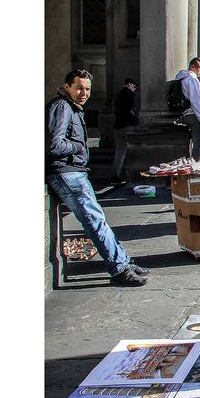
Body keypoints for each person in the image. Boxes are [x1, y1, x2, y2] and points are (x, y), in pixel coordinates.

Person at [46, 70, 150, 286]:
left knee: (98, 219)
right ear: (67, 87)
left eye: (87, 89)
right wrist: (79, 146)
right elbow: (53, 144)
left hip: (74, 171)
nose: (84, 93)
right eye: (79, 88)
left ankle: (123, 261)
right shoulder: (61, 107)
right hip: (66, 172)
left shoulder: (71, 107)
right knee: (94, 221)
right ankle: (119, 269)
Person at [176, 57, 200, 163]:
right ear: (192, 66)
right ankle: (197, 162)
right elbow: (196, 100)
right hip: (194, 114)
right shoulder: (192, 79)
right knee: (199, 143)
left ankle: (192, 161)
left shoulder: (181, 78)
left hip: (185, 114)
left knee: (191, 142)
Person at [111, 77, 139, 184]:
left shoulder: (118, 95)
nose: (135, 89)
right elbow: (129, 112)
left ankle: (115, 176)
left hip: (117, 126)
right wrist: (135, 122)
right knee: (132, 151)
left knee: (120, 152)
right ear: (129, 84)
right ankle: (131, 174)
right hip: (127, 126)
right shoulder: (129, 95)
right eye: (134, 86)